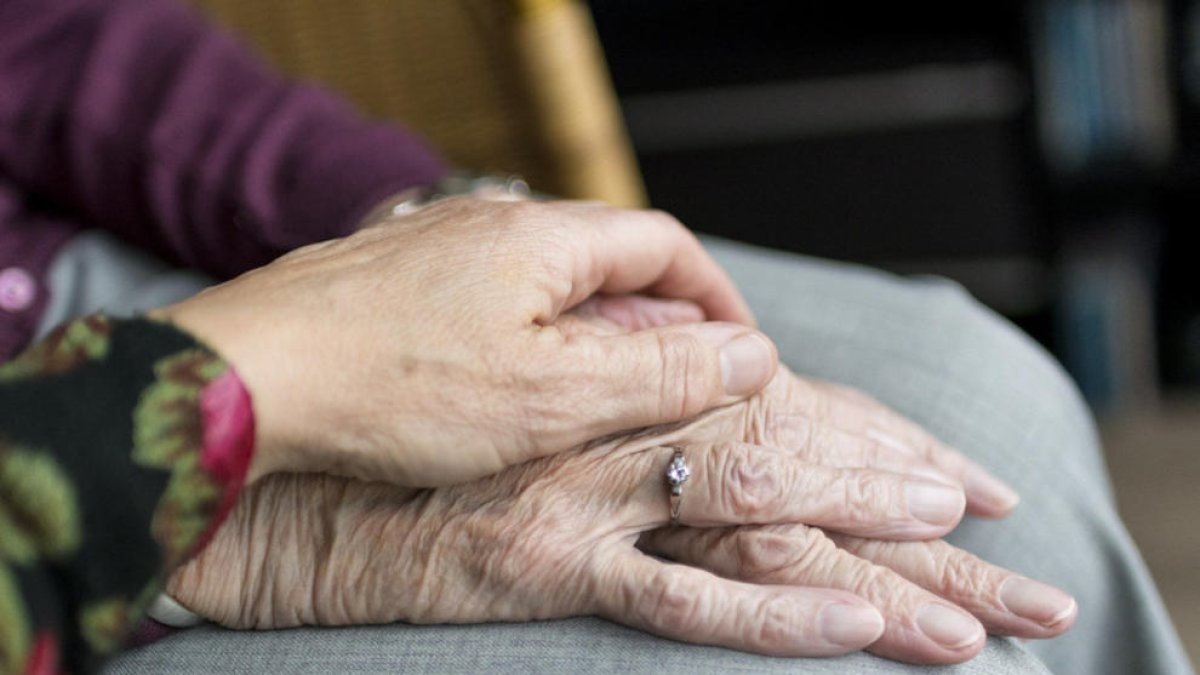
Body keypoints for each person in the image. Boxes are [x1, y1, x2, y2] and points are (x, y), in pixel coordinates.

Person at [0, 2, 1190, 675]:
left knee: (986, 414)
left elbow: (51, 44)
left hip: (94, 275)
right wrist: (243, 525)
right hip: (53, 557)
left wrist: (423, 237)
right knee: (869, 661)